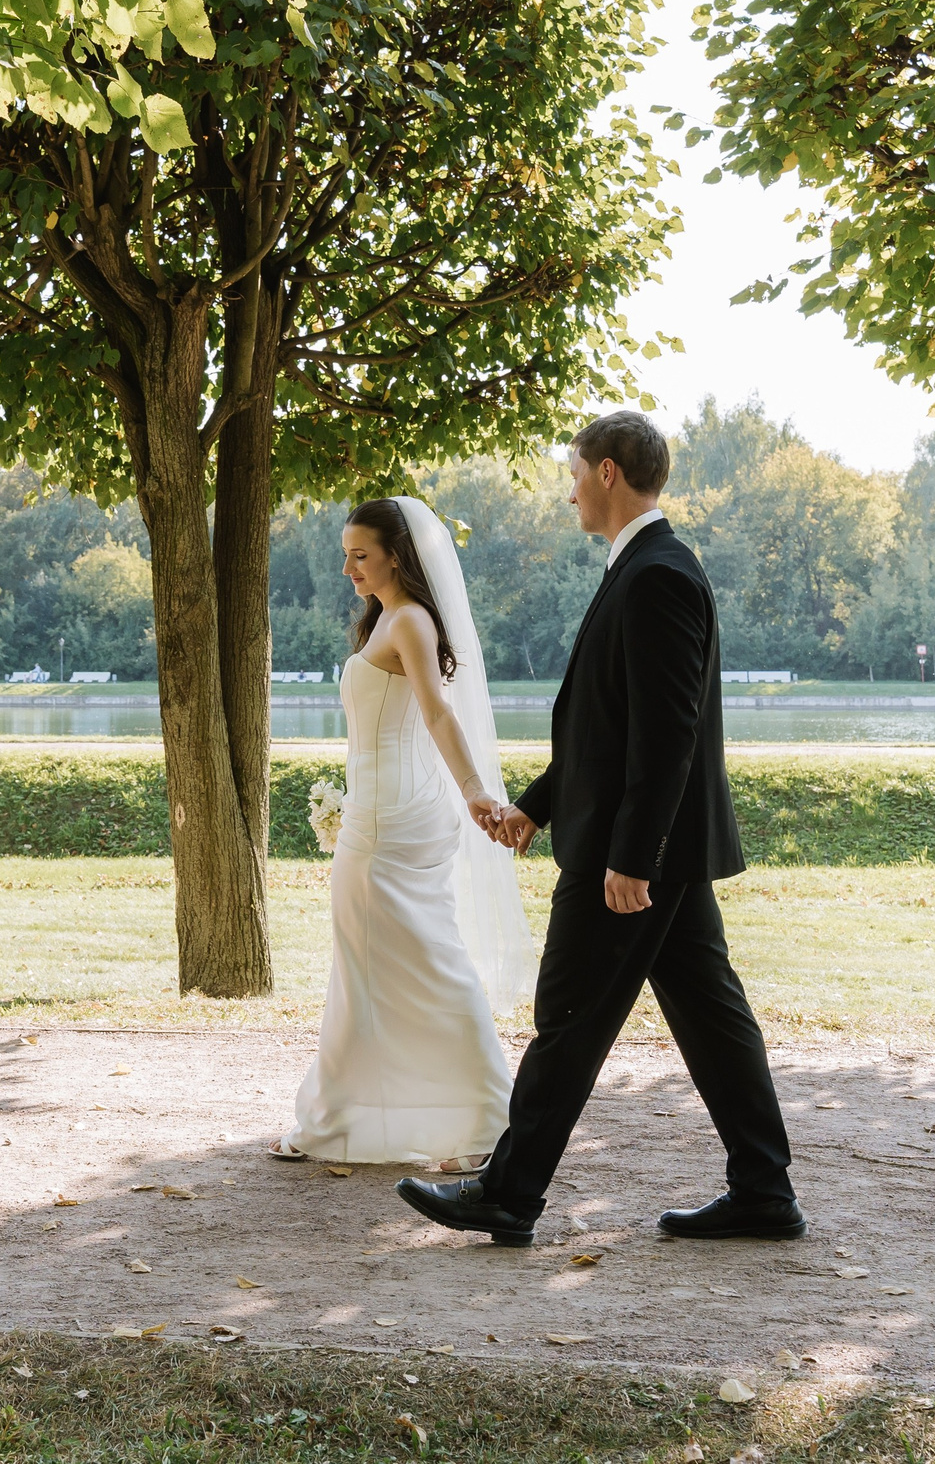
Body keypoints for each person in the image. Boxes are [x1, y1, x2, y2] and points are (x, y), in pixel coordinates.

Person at [396, 411, 804, 1245]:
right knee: (712, 1017)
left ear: (609, 472)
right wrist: (534, 808)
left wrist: (632, 856)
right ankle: (764, 1188)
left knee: (569, 1015)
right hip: (650, 852)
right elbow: (605, 734)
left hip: (634, 859)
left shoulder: (658, 575)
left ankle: (509, 1192)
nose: (569, 486)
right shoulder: (643, 567)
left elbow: (667, 736)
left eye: (574, 470)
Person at [268, 496, 537, 1170]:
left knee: (416, 965)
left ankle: (488, 1120)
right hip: (380, 810)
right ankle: (347, 1115)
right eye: (346, 553)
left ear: (397, 555)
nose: (348, 567)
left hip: (389, 823)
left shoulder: (410, 620)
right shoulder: (389, 618)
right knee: (373, 968)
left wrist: (476, 790)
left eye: (361, 554)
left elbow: (439, 715)